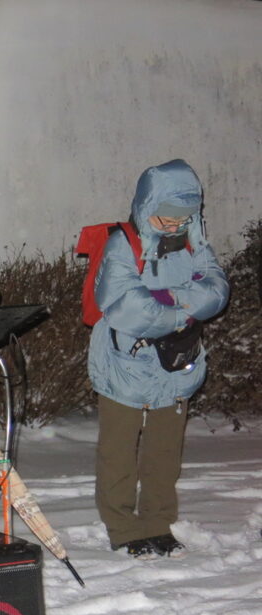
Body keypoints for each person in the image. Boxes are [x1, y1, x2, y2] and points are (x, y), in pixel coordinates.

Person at [88, 158, 228, 559]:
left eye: (184, 217)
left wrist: (173, 303)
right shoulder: (123, 244)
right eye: (167, 217)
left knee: (165, 451)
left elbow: (217, 288)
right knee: (118, 451)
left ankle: (157, 523)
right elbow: (127, 306)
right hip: (125, 365)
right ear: (148, 207)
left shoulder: (192, 238)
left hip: (175, 364)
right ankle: (123, 526)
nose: (174, 226)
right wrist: (184, 307)